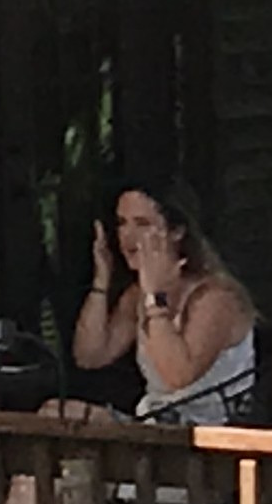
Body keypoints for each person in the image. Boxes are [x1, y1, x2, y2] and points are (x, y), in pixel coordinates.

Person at [68, 178, 258, 426]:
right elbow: (90, 356)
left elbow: (177, 375)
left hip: (210, 436)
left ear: (177, 232)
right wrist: (101, 280)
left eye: (142, 224)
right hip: (154, 423)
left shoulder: (216, 297)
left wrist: (155, 299)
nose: (128, 236)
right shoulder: (137, 294)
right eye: (122, 223)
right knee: (56, 412)